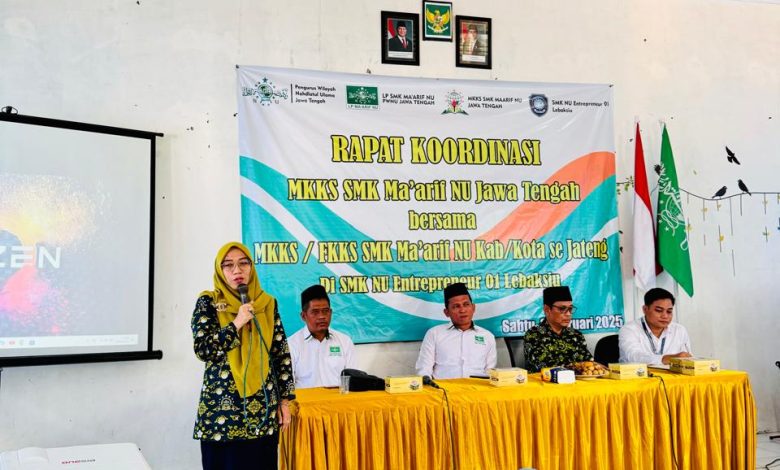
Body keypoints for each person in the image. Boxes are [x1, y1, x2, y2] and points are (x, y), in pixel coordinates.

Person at [192, 242, 295, 470]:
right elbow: (203, 349)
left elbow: (280, 355)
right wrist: (236, 323)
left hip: (263, 412)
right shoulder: (208, 302)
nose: (237, 271)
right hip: (222, 415)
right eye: (228, 266)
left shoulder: (267, 304)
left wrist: (285, 402)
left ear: (251, 267)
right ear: (220, 271)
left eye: (243, 263)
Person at [415, 282, 497, 379]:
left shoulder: (487, 336)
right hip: (443, 391)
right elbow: (424, 369)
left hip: (477, 391)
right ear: (446, 312)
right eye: (456, 306)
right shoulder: (434, 334)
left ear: (473, 308)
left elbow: (490, 372)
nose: (462, 310)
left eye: (466, 304)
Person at [287, 284, 357, 388]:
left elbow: (353, 380)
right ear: (303, 316)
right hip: (305, 402)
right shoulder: (291, 344)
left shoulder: (345, 341)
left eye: (325, 311)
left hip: (338, 402)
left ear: (331, 312)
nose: (322, 316)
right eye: (315, 312)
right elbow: (287, 385)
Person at [524, 286, 592, 372]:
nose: (568, 314)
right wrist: (576, 367)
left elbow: (589, 364)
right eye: (562, 309)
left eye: (570, 309)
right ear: (547, 309)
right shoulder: (534, 335)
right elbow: (542, 368)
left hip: (576, 384)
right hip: (546, 384)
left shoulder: (576, 335)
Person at [619, 287, 692, 365]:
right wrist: (666, 359)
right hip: (638, 376)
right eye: (659, 310)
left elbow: (687, 359)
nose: (665, 316)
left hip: (672, 376)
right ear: (645, 309)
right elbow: (633, 356)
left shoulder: (679, 330)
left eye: (669, 311)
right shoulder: (629, 329)